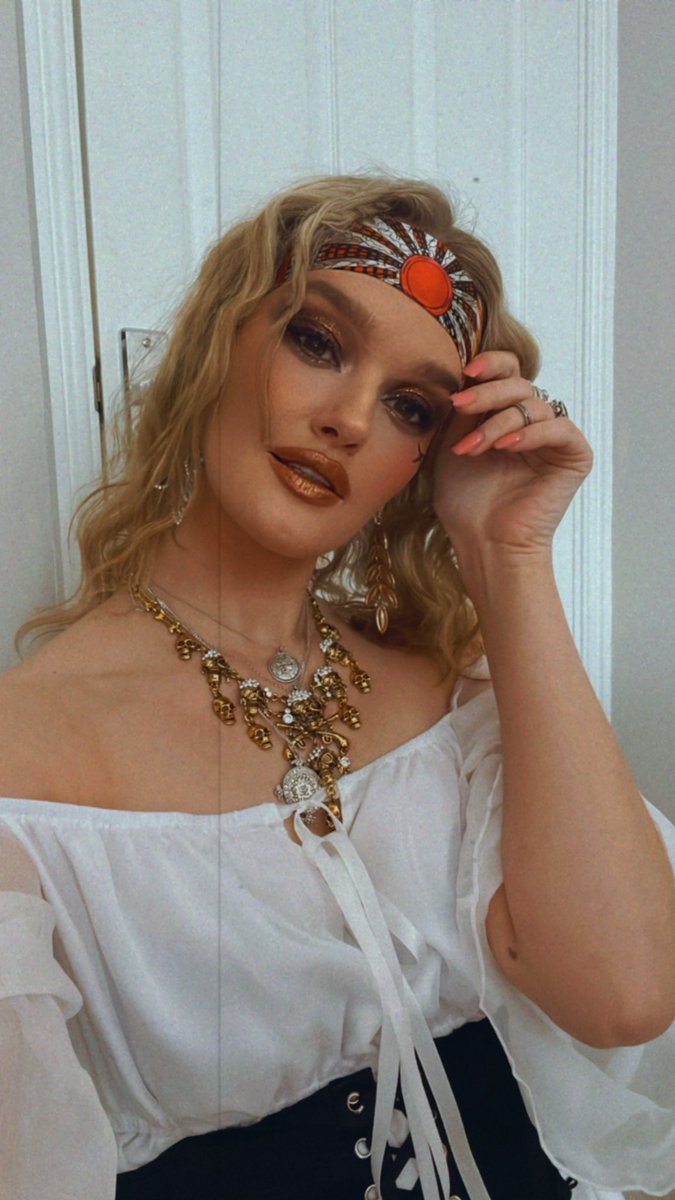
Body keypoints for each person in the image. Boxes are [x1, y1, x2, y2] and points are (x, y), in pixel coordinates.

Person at [0, 173, 673, 1200]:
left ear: (425, 456)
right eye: (317, 342)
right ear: (218, 344)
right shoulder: (25, 762)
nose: (352, 420)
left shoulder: (451, 694)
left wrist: (508, 557)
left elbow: (624, 998)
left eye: (410, 406)